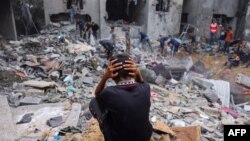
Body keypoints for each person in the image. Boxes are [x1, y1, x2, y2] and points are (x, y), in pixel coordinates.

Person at [89, 54, 152, 141]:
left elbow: (97, 94)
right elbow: (141, 82)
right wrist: (137, 73)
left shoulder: (109, 92)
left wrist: (105, 77)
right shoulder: (146, 87)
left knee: (94, 103)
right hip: (145, 137)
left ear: (112, 74)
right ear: (133, 71)